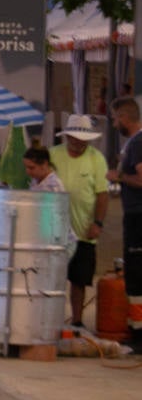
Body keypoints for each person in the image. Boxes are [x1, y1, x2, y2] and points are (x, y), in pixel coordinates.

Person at [50, 114, 109, 330]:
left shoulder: (97, 158)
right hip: (53, 228)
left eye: (81, 140)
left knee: (80, 279)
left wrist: (98, 223)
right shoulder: (53, 155)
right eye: (73, 139)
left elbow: (102, 194)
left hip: (83, 228)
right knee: (52, 276)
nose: (77, 143)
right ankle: (51, 317)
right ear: (66, 137)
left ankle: (76, 319)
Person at [108, 97, 142, 350]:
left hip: (138, 216)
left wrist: (118, 176)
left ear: (126, 118)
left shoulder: (138, 143)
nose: (113, 122)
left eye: (115, 118)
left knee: (137, 275)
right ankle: (136, 329)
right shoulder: (133, 143)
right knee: (133, 274)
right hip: (133, 215)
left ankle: (139, 334)